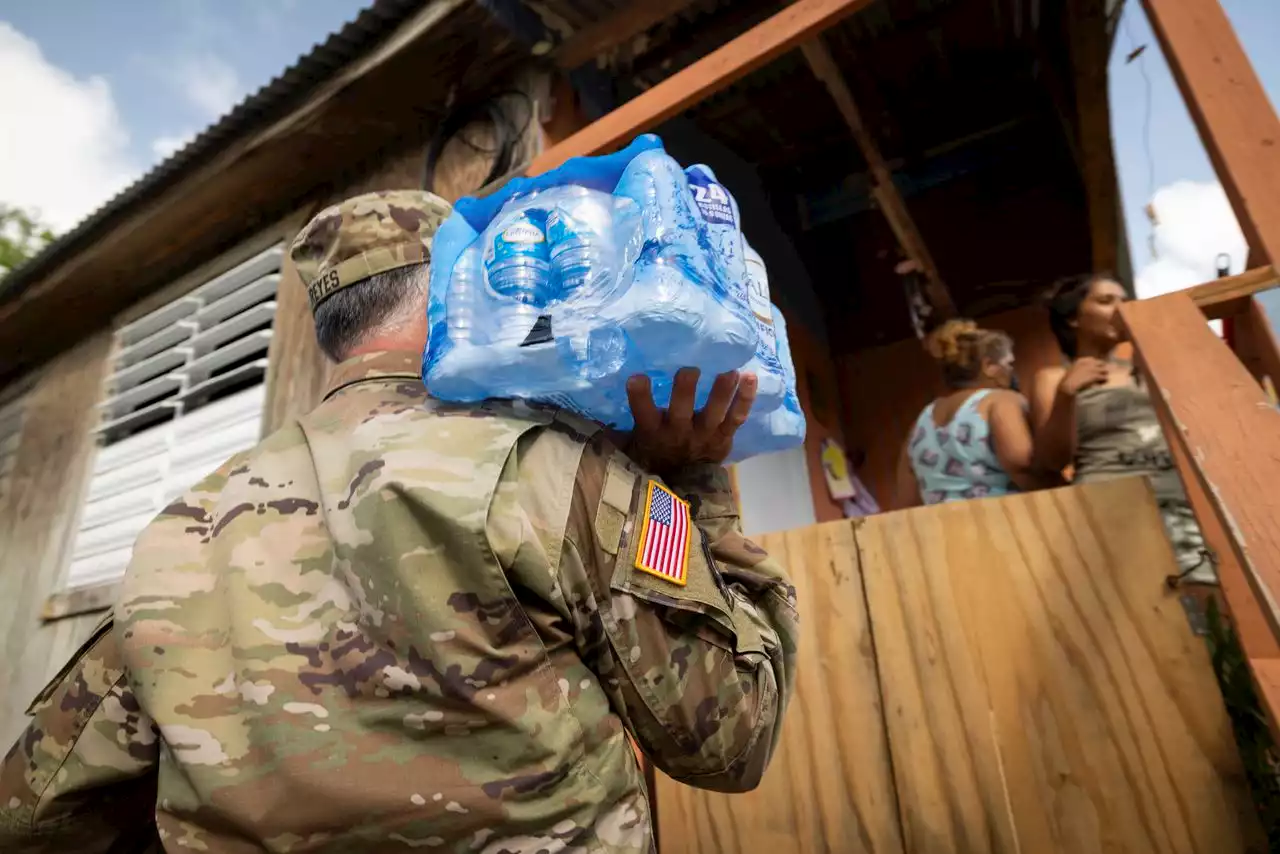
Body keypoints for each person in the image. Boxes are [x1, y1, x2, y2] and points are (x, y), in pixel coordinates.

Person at [0, 191, 799, 853]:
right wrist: (693, 479)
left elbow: (37, 810)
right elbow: (732, 738)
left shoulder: (181, 527)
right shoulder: (549, 467)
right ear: (462, 287)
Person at [1029, 272, 1212, 583]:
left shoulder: (1150, 369)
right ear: (1073, 318)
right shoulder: (1052, 378)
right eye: (1105, 301)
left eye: (1125, 301)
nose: (1121, 308)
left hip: (1182, 504)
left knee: (1212, 602)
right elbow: (1052, 460)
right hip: (1109, 507)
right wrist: (1066, 394)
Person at [895, 319, 1055, 506]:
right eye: (1008, 363)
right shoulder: (1000, 400)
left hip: (945, 530)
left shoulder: (921, 421)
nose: (1012, 371)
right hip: (1005, 522)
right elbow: (1022, 463)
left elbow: (906, 498)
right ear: (989, 366)